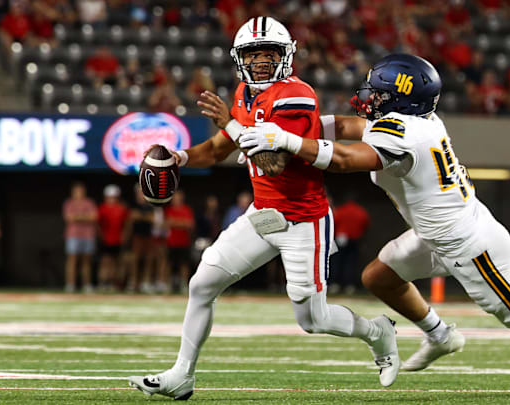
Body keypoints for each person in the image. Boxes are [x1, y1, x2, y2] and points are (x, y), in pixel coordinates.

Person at [239, 53, 510, 404]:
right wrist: (288, 126)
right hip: (435, 233)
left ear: (398, 98)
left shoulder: (402, 132)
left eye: (377, 92)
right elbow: (347, 127)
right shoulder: (414, 121)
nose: (369, 98)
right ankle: (440, 335)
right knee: (379, 277)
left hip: (470, 246)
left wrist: (288, 142)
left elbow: (345, 158)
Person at [128, 17, 399, 401]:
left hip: (304, 219)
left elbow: (275, 163)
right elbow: (222, 147)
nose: (260, 62)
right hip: (264, 213)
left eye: (268, 53)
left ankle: (378, 331)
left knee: (313, 319)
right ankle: (181, 375)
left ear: (285, 55)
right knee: (202, 284)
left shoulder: (296, 95)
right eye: (253, 55)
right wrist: (181, 156)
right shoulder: (244, 93)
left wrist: (232, 124)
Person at [329, 195, 370, 294]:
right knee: (351, 263)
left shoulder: (340, 210)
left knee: (337, 262)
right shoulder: (361, 211)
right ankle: (349, 286)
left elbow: (333, 223)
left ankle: (335, 284)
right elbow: (366, 225)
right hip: (355, 240)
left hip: (340, 239)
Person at [62, 182, 98, 293]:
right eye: (76, 191)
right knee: (72, 260)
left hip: (88, 235)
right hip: (73, 235)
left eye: (80, 191)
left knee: (86, 261)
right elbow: (68, 218)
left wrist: (77, 217)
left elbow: (94, 217)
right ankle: (70, 285)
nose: (79, 193)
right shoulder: (69, 203)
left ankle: (86, 285)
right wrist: (84, 217)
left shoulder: (89, 202)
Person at [97, 184, 129, 292]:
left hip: (118, 239)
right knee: (105, 262)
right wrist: (100, 235)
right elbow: (98, 224)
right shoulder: (102, 208)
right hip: (106, 239)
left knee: (117, 262)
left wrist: (124, 236)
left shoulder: (121, 208)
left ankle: (113, 283)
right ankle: (103, 283)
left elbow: (126, 224)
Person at [126, 183, 156, 293]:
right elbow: (131, 218)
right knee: (134, 259)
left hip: (148, 235)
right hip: (136, 236)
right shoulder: (133, 205)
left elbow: (152, 219)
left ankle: (145, 282)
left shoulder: (150, 205)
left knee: (148, 259)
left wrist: (140, 217)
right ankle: (133, 282)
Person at [163, 190, 195, 293]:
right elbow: (166, 223)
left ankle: (183, 284)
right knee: (168, 263)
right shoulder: (168, 210)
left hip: (184, 241)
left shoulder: (187, 210)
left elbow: (190, 224)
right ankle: (166, 284)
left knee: (184, 264)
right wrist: (182, 223)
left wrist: (175, 223)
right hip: (171, 242)